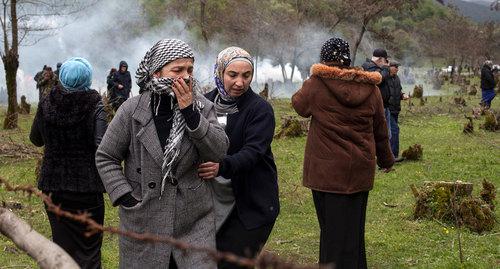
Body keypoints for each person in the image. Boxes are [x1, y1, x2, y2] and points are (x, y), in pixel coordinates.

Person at [95, 38, 229, 269]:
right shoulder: (131, 110)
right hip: (143, 219)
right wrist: (126, 196)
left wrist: (190, 113)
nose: (186, 76)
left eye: (189, 69)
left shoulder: (202, 107)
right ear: (157, 73)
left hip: (193, 221)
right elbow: (106, 156)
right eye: (177, 70)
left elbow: (218, 151)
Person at [292, 37, 395, 269]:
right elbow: (380, 129)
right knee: (354, 229)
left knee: (330, 232)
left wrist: (314, 76)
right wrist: (387, 159)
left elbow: (299, 106)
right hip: (359, 169)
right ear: (348, 60)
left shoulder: (317, 84)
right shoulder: (371, 88)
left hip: (325, 173)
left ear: (324, 60)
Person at [201, 47, 280, 269]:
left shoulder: (259, 109)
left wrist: (221, 166)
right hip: (211, 204)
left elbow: (253, 152)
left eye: (246, 76)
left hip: (250, 205)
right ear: (219, 72)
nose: (240, 82)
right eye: (232, 75)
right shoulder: (203, 105)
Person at [29, 57, 108, 269]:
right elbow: (103, 146)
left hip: (53, 186)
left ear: (61, 78)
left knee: (61, 248)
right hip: (87, 188)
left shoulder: (47, 102)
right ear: (88, 78)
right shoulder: (95, 104)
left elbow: (35, 139)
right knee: (89, 249)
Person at [362, 48, 392, 139]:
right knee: (382, 136)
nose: (386, 63)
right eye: (385, 60)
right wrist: (386, 68)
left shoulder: (376, 68)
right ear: (379, 59)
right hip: (378, 107)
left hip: (383, 106)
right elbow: (380, 79)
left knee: (386, 135)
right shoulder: (369, 67)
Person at [387, 61, 408, 161]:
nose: (397, 69)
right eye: (395, 66)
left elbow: (398, 91)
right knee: (394, 130)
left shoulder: (397, 78)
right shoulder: (385, 78)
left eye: (397, 67)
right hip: (387, 109)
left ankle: (390, 154)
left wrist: (402, 95)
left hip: (396, 109)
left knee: (391, 132)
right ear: (389, 67)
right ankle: (393, 156)